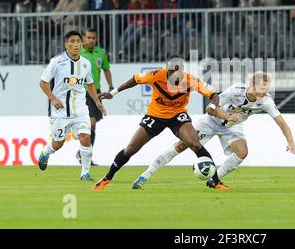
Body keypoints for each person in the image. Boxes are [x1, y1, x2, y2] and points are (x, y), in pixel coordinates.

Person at [132, 72, 295, 189]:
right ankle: (145, 175)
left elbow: (281, 121)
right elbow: (210, 109)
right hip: (211, 121)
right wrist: (227, 116)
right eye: (262, 88)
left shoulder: (265, 101)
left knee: (242, 152)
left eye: (267, 89)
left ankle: (214, 179)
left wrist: (290, 141)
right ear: (252, 85)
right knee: (181, 146)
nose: (265, 92)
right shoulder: (236, 90)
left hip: (232, 127)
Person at [92, 56, 228, 190]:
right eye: (171, 70)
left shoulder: (191, 80)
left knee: (195, 144)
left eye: (178, 70)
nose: (174, 74)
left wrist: (212, 106)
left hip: (177, 115)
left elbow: (214, 95)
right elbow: (134, 79)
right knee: (131, 148)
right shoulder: (155, 75)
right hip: (155, 115)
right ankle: (107, 178)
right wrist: (113, 93)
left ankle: (216, 182)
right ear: (166, 70)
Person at [37, 30, 106, 181]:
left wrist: (96, 101)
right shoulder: (57, 61)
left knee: (85, 137)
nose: (76, 45)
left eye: (78, 42)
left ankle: (85, 173)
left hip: (80, 108)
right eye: (72, 41)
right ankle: (45, 153)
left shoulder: (86, 64)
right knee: (58, 143)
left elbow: (90, 84)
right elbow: (43, 83)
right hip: (60, 110)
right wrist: (53, 98)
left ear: (82, 44)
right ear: (66, 44)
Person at [76, 29, 114, 165]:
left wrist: (110, 86)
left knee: (93, 126)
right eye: (89, 37)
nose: (91, 40)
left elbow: (106, 69)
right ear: (84, 38)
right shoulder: (79, 52)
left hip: (96, 92)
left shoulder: (100, 53)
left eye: (93, 38)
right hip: (82, 91)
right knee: (91, 123)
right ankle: (84, 153)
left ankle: (85, 154)